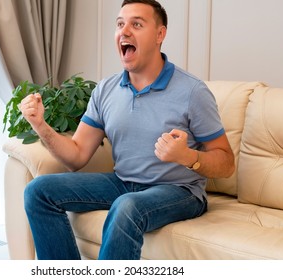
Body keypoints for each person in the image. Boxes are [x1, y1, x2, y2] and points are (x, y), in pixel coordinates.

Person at [19, 0, 235, 260]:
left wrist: (188, 157)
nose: (125, 31)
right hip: (123, 183)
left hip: (180, 191)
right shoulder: (106, 90)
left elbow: (226, 163)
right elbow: (75, 156)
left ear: (160, 34)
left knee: (126, 206)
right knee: (38, 191)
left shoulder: (192, 91)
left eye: (137, 24)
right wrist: (40, 126)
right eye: (120, 24)